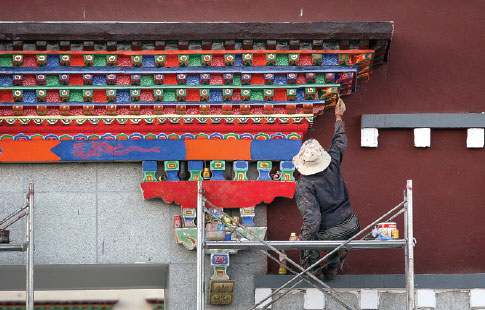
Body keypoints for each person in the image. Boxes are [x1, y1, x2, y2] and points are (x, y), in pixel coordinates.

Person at [292, 98, 360, 280]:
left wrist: (300, 242)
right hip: (352, 224)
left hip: (330, 231)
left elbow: (313, 220)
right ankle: (333, 262)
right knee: (330, 238)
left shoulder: (305, 185)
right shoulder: (332, 164)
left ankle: (313, 272)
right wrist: (339, 116)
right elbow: (339, 143)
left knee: (308, 237)